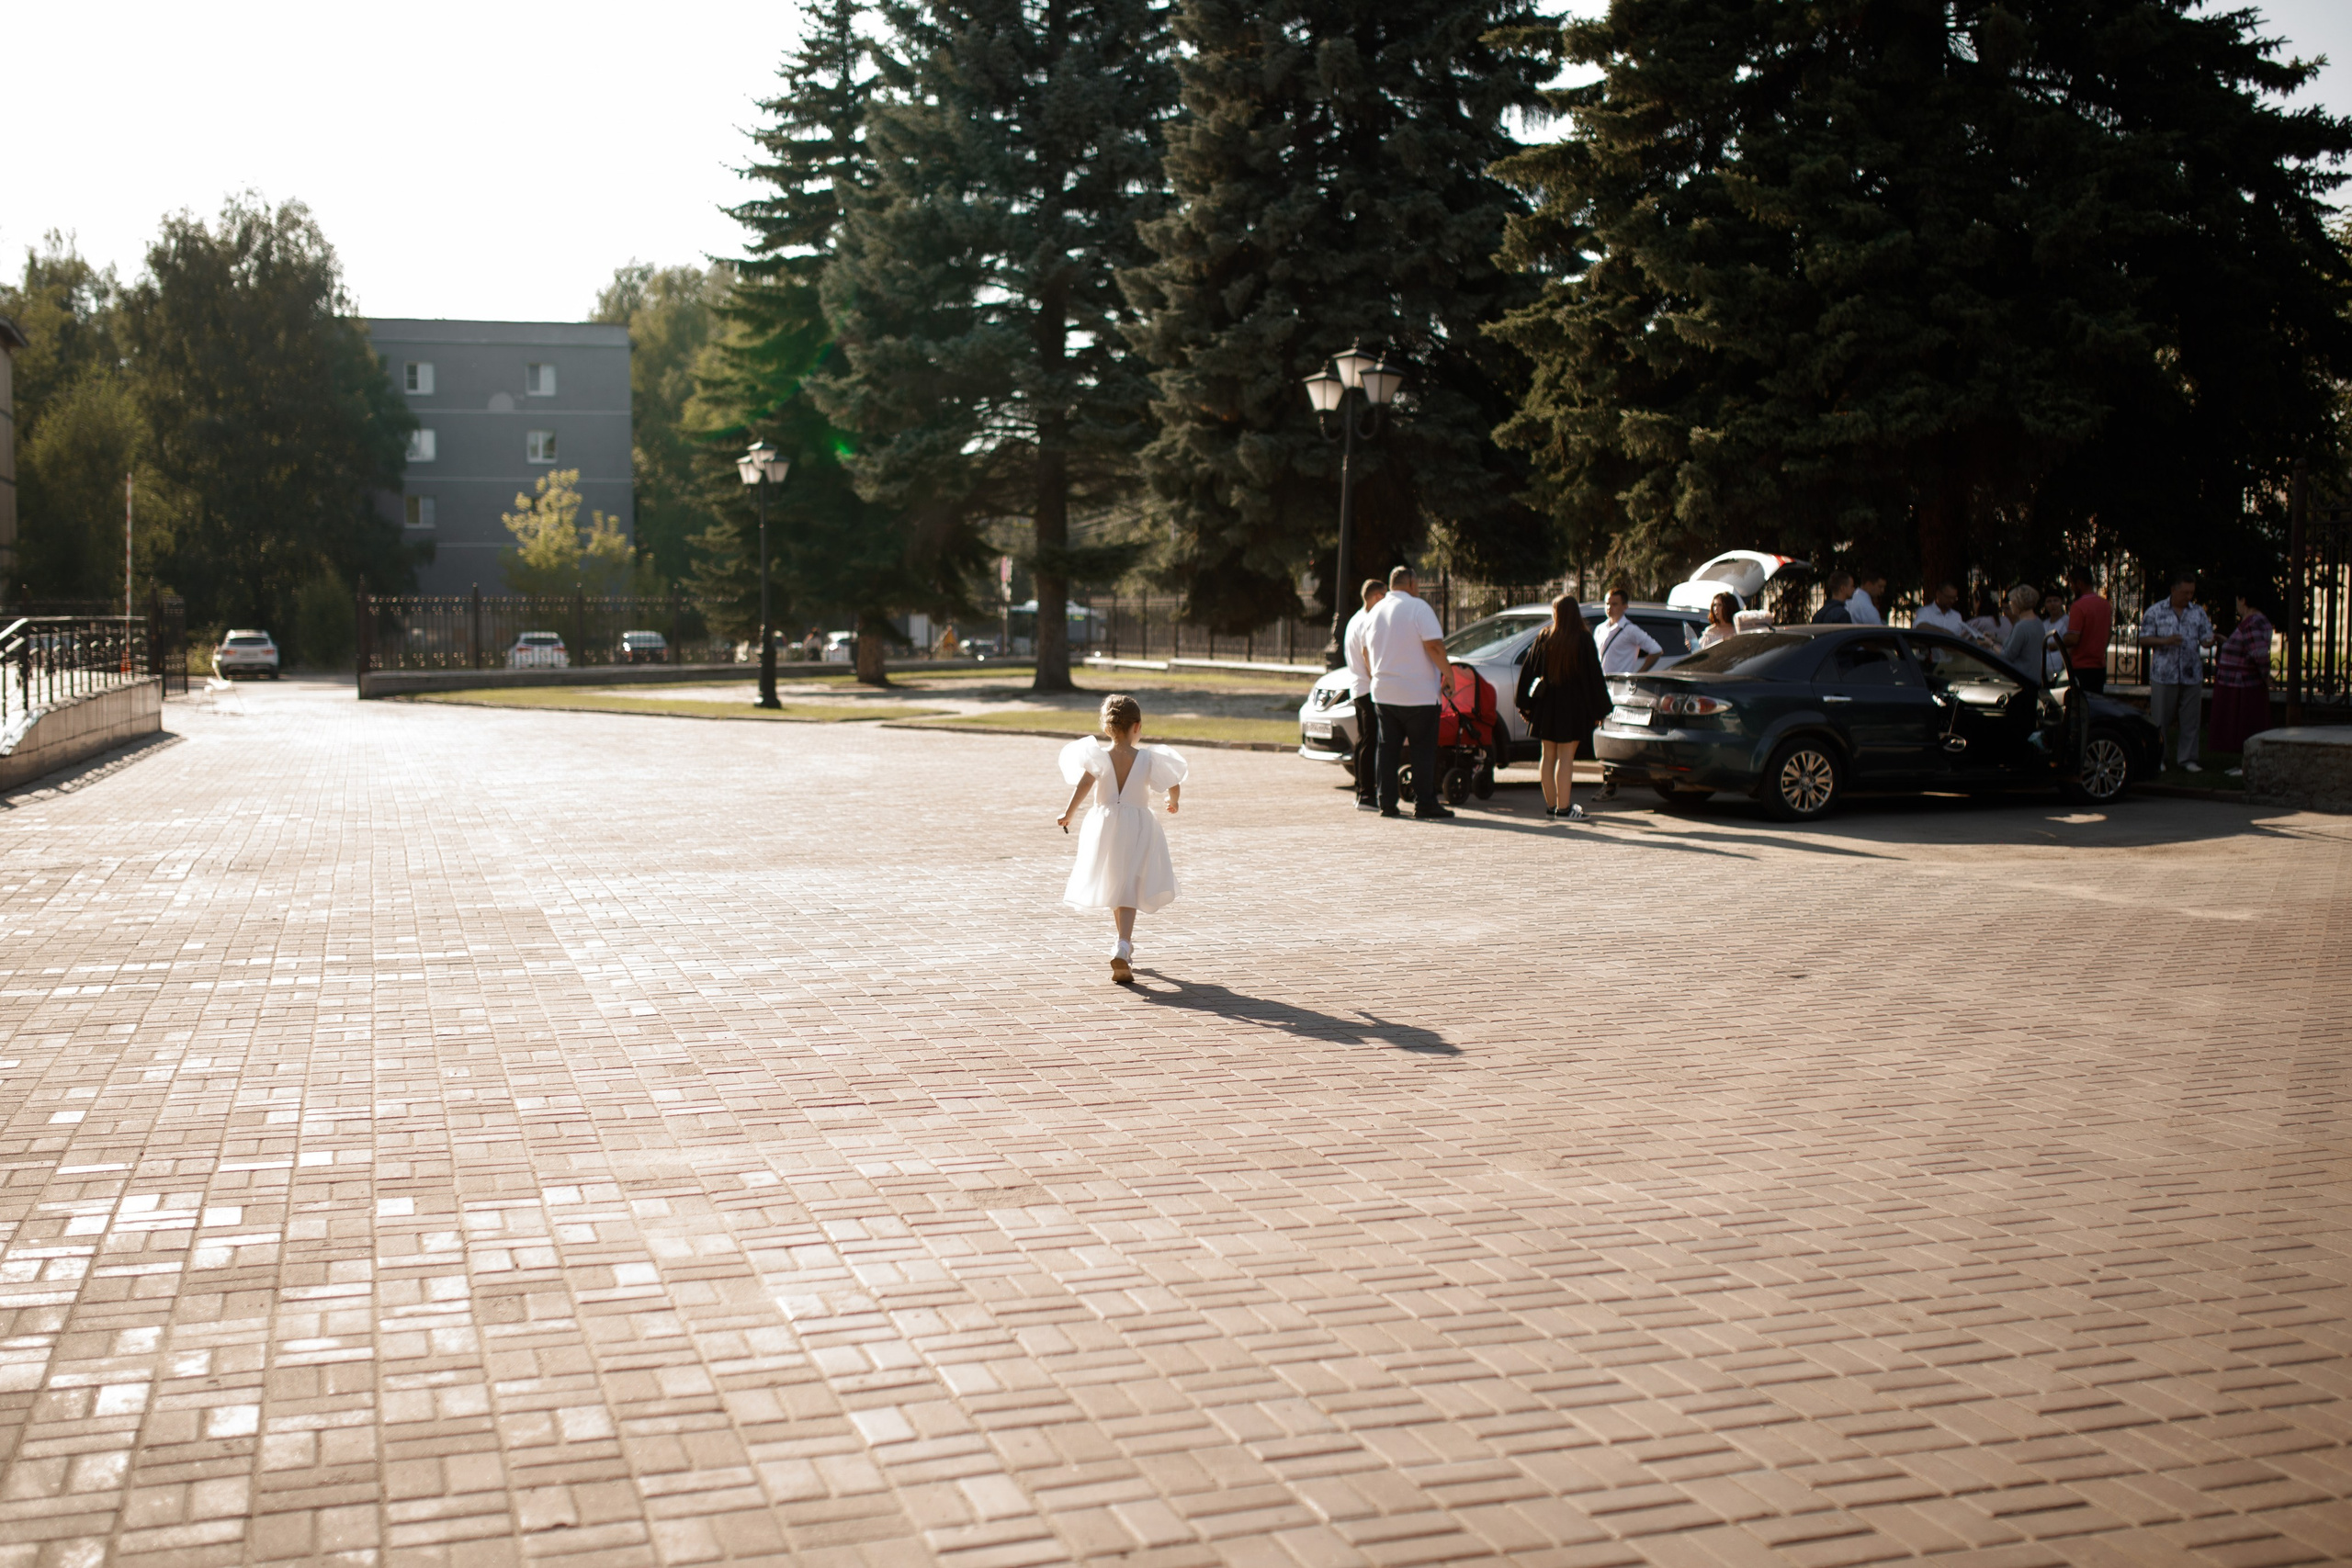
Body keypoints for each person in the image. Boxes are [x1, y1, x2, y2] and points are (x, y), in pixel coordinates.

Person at [1056, 694, 1186, 984]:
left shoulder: (1098, 757)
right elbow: (1173, 782)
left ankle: (1122, 943)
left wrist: (1068, 814)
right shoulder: (1148, 758)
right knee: (1129, 883)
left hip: (1104, 825)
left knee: (1118, 883)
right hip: (1139, 825)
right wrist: (1172, 800)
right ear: (1137, 726)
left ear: (1107, 727)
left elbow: (1084, 786)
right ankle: (1123, 945)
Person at [1364, 565, 1453, 820]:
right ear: (1412, 584)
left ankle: (1387, 803)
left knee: (1387, 749)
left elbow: (1365, 651)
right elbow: (1435, 646)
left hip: (1384, 693)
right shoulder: (1419, 608)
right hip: (1419, 695)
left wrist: (1377, 677)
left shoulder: (1375, 611)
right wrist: (1450, 675)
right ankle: (1424, 803)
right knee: (1422, 751)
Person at [1514, 592, 1611, 821]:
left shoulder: (1544, 637)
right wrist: (1599, 710)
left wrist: (1525, 705)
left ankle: (1552, 806)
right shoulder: (1583, 639)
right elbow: (1593, 676)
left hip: (1546, 705)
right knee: (1566, 757)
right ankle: (1565, 808)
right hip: (1573, 706)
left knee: (1547, 756)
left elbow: (1528, 672)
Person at [2140, 572, 2216, 773]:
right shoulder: (2156, 611)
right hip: (2164, 674)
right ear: (2174, 590)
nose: (2189, 596)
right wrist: (2164, 641)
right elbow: (2144, 639)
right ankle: (2159, 758)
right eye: (2185, 592)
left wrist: (2210, 640)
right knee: (2160, 720)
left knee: (2190, 720)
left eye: (2192, 592)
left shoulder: (2198, 612)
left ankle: (2188, 759)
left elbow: (2206, 636)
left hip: (2191, 673)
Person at [2211, 592, 2276, 764]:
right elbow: (2247, 648)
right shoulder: (2253, 622)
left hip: (2243, 685)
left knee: (2244, 726)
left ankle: (2247, 764)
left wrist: (2265, 676)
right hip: (2240, 682)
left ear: (2243, 600)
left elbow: (2259, 653)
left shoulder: (2252, 623)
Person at [1341, 578, 1385, 810]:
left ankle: (1361, 790)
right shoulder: (1368, 620)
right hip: (1368, 688)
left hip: (1357, 687)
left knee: (1362, 741)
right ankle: (1368, 794)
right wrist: (1377, 677)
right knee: (1370, 741)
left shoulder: (1354, 620)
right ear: (1377, 597)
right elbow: (1367, 654)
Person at [2060, 565, 2112, 694]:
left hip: (2081, 667)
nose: (2071, 588)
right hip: (2099, 667)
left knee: (2081, 708)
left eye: (2072, 584)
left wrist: (2058, 641)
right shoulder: (2105, 605)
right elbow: (2109, 634)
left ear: (2079, 583)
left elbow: (2073, 638)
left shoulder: (2078, 606)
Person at [1594, 584, 1662, 674]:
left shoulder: (1630, 630)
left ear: (1625, 606)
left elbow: (1656, 650)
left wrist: (1637, 676)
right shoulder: (1600, 629)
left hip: (1621, 685)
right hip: (1601, 684)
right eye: (1607, 604)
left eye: (1614, 604)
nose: (1609, 608)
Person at [1997, 584, 2045, 684]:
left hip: (2022, 679)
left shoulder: (2021, 626)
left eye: (2011, 602)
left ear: (2018, 603)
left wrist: (1991, 645)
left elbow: (2007, 656)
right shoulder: (2038, 622)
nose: (2010, 605)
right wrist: (1995, 638)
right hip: (2035, 677)